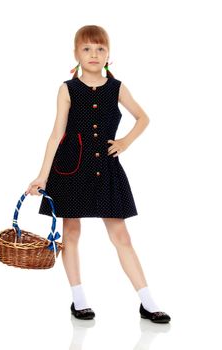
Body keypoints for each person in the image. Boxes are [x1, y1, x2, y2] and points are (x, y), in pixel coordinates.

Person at [26, 25, 171, 323]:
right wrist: (42, 176)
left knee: (121, 235)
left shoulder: (117, 88)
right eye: (87, 49)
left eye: (100, 49)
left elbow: (144, 117)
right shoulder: (67, 88)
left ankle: (148, 302)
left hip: (106, 169)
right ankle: (78, 300)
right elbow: (56, 135)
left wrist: (124, 143)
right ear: (76, 54)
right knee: (71, 233)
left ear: (109, 54)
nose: (94, 54)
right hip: (70, 169)